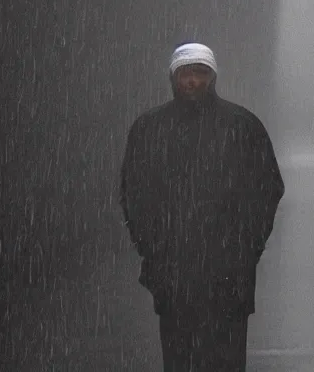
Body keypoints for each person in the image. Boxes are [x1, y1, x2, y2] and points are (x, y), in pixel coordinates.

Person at [119, 42, 285, 371]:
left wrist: (247, 245)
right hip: (177, 265)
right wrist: (153, 245)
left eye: (200, 73)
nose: (192, 81)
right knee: (181, 355)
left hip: (225, 268)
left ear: (213, 77)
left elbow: (268, 188)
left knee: (224, 355)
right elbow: (134, 192)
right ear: (172, 78)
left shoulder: (242, 126)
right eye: (185, 73)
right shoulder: (150, 129)